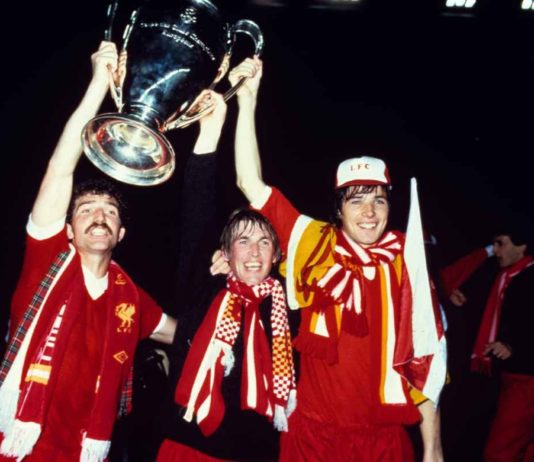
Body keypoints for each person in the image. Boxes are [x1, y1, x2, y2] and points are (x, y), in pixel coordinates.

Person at [227, 57, 446, 462]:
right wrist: (248, 100)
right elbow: (249, 182)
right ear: (339, 209)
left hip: (382, 438)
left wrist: (433, 447)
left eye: (379, 200)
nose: (369, 212)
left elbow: (426, 359)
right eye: (356, 200)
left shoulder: (407, 258)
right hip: (314, 435)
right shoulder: (313, 240)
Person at [0, 41, 183, 462]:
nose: (99, 216)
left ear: (120, 233)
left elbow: (185, 334)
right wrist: (99, 84)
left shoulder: (131, 297)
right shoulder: (47, 261)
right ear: (67, 230)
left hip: (83, 451)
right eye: (85, 210)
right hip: (17, 446)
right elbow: (60, 168)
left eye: (110, 212)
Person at [156, 109, 296, 461]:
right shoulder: (204, 286)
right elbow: (197, 209)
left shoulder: (288, 306)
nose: (254, 252)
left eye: (264, 241)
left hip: (256, 453)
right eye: (242, 241)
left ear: (278, 255)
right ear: (226, 252)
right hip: (188, 447)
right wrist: (211, 129)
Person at [465, 229, 534, 462]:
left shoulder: (527, 278)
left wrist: (513, 346)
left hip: (526, 380)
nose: (495, 250)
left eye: (500, 243)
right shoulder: (506, 277)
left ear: (522, 246)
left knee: (499, 451)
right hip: (512, 376)